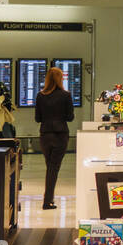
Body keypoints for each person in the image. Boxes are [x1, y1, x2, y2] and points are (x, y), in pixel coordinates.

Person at [35, 65, 74, 210]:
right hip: (60, 135)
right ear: (60, 79)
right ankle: (47, 201)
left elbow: (37, 118)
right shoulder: (66, 95)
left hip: (45, 135)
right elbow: (70, 117)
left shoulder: (40, 95)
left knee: (50, 167)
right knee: (53, 168)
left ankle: (49, 199)